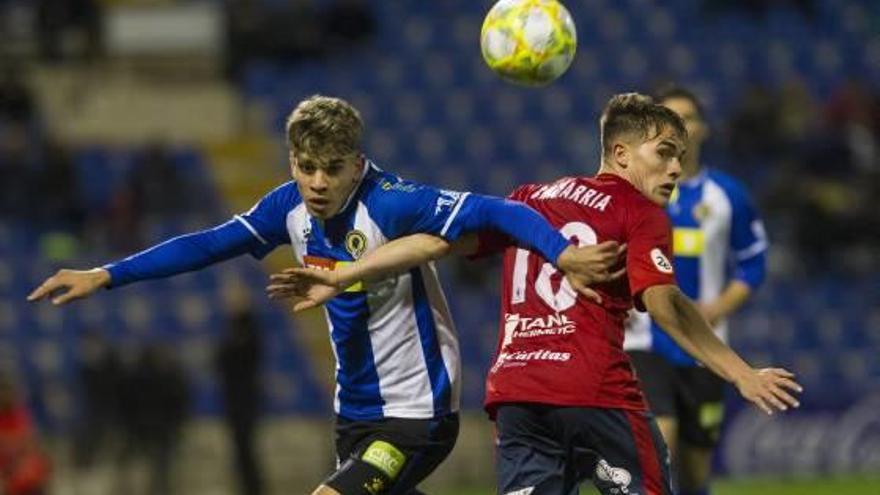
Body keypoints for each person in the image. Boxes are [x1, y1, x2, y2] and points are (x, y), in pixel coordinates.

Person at [27, 95, 623, 495]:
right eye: (306, 165)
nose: (316, 181)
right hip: (354, 416)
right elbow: (207, 244)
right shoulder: (287, 207)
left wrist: (560, 252)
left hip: (415, 417)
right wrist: (106, 274)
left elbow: (499, 210)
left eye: (331, 168)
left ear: (356, 162)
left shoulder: (391, 201)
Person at [270, 93, 803, 495]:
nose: (675, 168)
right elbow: (664, 303)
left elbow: (436, 244)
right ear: (620, 152)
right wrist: (740, 372)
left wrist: (345, 272)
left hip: (516, 396)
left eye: (681, 156)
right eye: (664, 153)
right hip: (593, 391)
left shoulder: (532, 199)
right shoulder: (639, 211)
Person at [622, 86, 769, 495]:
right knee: (660, 440)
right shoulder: (631, 194)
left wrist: (719, 307)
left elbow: (754, 263)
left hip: (705, 346)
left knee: (695, 467)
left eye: (686, 118)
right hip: (644, 340)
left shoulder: (728, 196)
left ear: (702, 130)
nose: (678, 126)